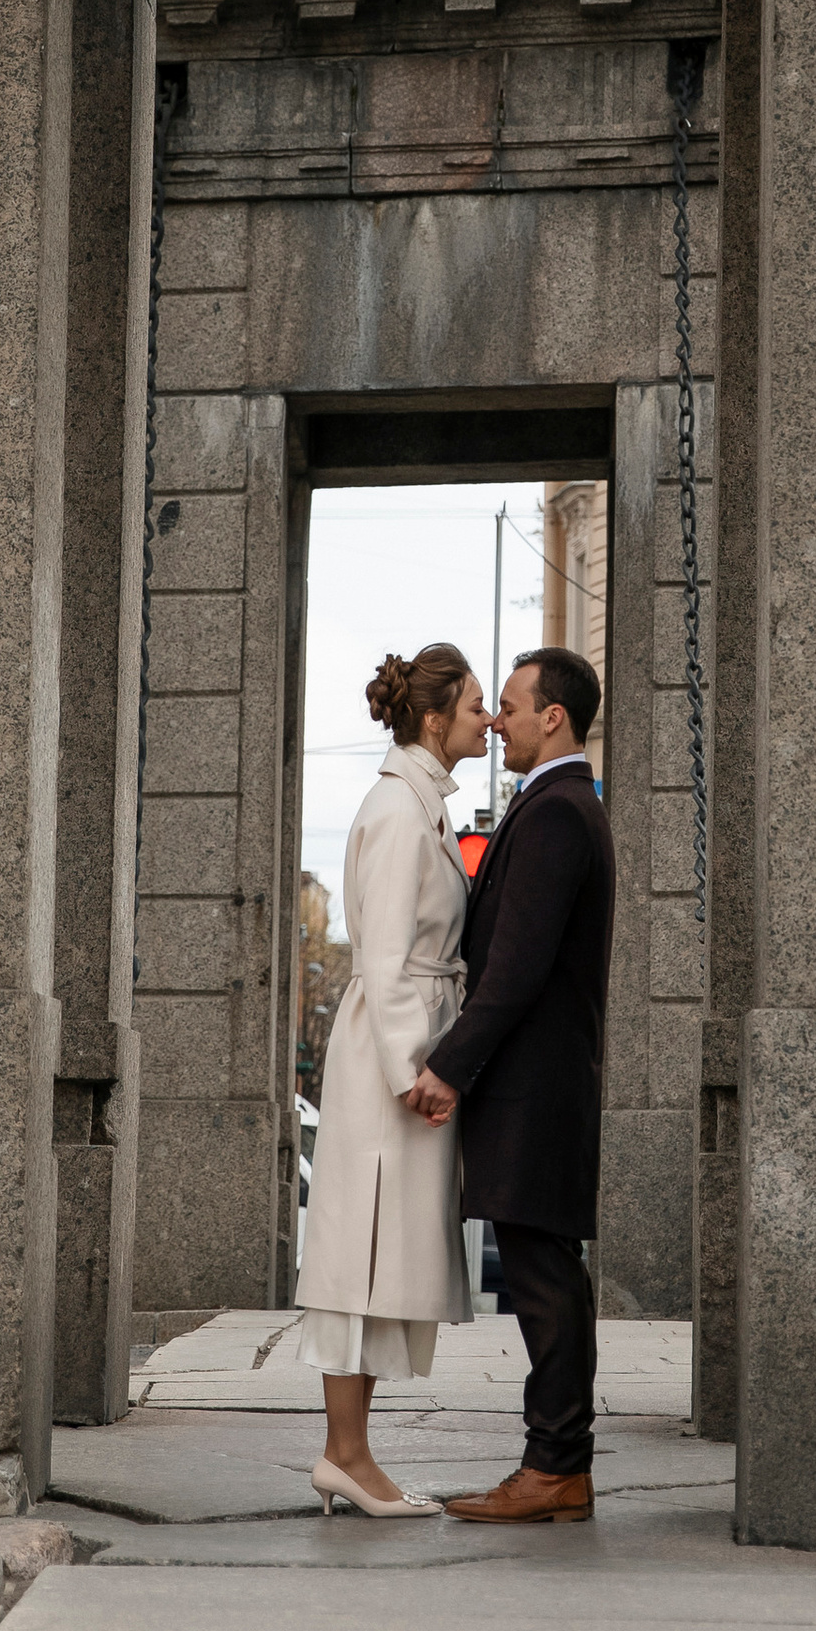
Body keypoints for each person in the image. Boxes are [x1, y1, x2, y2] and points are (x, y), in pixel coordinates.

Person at [405, 646, 614, 1525]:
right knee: (544, 1272)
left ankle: (556, 1464)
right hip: (539, 1083)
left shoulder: (560, 812)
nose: (498, 721)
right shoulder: (555, 804)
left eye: (513, 706)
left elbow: (516, 968)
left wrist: (449, 1063)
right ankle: (556, 1464)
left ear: (553, 717)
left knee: (542, 1277)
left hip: (536, 1086)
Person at [295, 640, 487, 1518]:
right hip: (390, 1062)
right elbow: (379, 955)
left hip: (403, 1050)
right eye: (476, 704)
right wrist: (417, 1067)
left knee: (382, 1256)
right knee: (362, 1253)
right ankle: (346, 1456)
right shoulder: (399, 810)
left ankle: (352, 1455)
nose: (487, 718)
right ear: (436, 715)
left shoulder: (420, 805)